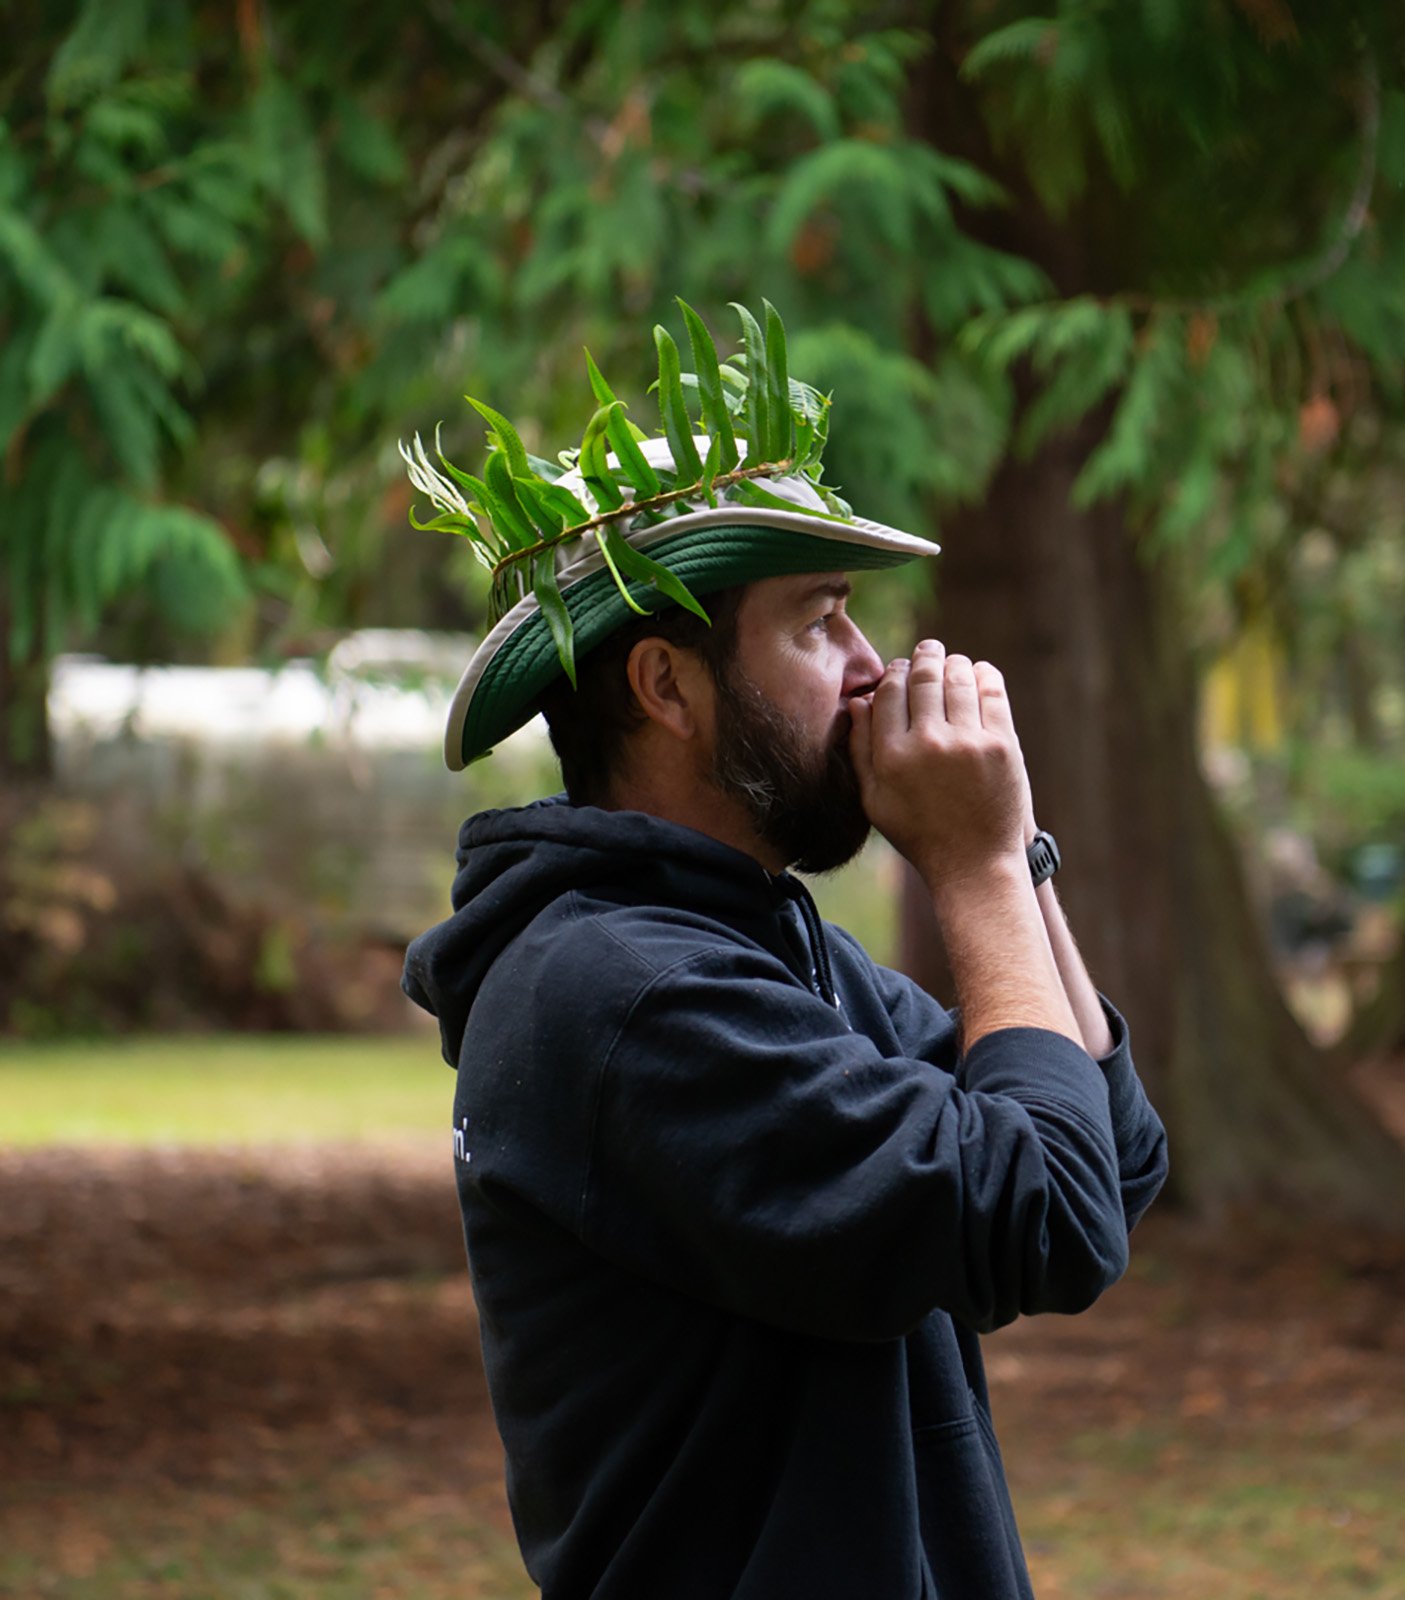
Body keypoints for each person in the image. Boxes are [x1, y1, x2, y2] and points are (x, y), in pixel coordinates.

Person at [403, 431, 1169, 1599]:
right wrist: (970, 870)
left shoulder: (755, 947)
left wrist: (1010, 849)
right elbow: (1045, 1217)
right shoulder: (627, 997)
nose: (873, 666)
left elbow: (1108, 1161)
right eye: (817, 623)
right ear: (666, 686)